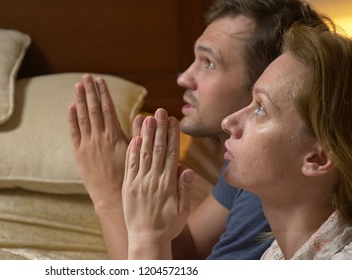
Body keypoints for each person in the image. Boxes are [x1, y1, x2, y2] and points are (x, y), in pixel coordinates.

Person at [67, 0, 328, 259]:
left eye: (209, 63)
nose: (184, 78)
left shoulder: (275, 187)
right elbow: (190, 247)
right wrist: (138, 192)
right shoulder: (244, 164)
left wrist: (107, 192)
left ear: (267, 78)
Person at [124, 23, 352, 260]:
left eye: (261, 108)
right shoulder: (277, 255)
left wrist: (146, 235)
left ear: (318, 158)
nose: (229, 122)